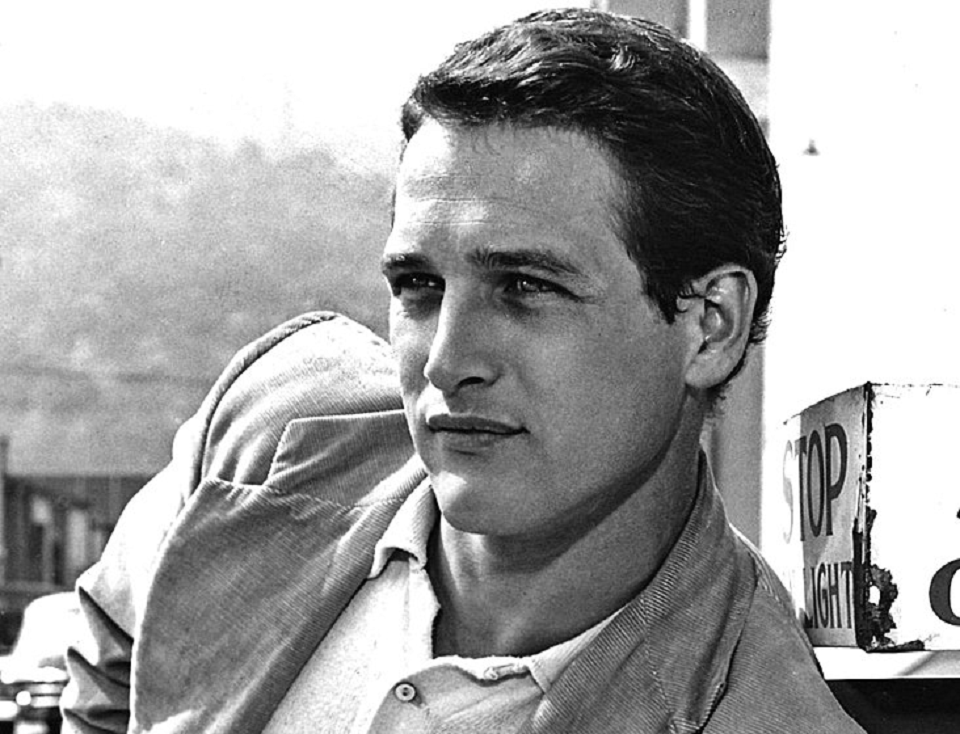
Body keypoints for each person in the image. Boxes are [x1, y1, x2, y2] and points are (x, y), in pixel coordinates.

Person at [62, 8, 865, 733]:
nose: (446, 361)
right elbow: (109, 669)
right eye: (419, 285)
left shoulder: (759, 712)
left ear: (709, 324)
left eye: (526, 287)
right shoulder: (271, 424)